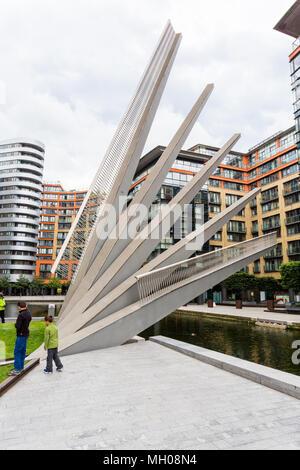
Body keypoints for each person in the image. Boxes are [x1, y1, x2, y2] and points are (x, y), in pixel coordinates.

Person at [8, 301, 32, 376]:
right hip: (25, 334)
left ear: (19, 306)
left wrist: (15, 324)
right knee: (22, 351)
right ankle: (21, 366)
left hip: (21, 335)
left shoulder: (21, 315)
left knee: (17, 351)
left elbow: (17, 326)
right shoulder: (28, 313)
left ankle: (17, 369)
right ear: (26, 305)